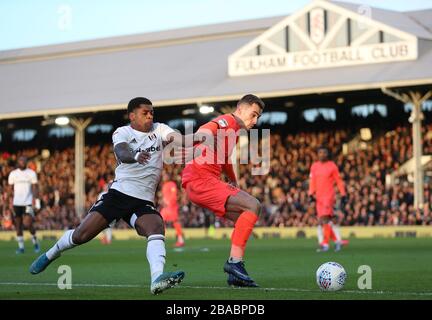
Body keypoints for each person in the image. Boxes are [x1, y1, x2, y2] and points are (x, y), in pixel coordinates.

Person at [30, 97, 186, 295]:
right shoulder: (123, 132)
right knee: (81, 235)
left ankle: (156, 278)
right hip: (119, 195)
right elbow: (121, 151)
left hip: (143, 201)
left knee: (156, 227)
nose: (150, 116)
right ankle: (51, 254)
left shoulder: (159, 129)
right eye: (145, 113)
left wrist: (201, 137)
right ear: (132, 116)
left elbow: (179, 138)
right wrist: (135, 155)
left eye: (151, 112)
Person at [181, 94, 265, 287]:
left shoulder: (234, 131)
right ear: (240, 109)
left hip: (199, 182)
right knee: (253, 205)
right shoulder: (227, 121)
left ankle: (234, 274)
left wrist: (233, 180)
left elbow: (225, 158)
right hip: (201, 179)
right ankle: (235, 263)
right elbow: (207, 129)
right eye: (253, 115)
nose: (255, 121)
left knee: (243, 220)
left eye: (258, 117)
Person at [308, 146, 347, 252]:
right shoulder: (314, 166)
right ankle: (336, 241)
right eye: (320, 152)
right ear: (317, 154)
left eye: (324, 152)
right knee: (323, 221)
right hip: (318, 197)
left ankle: (325, 244)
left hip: (328, 196)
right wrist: (310, 194)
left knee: (324, 219)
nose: (322, 154)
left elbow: (338, 181)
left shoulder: (332, 166)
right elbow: (312, 181)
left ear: (327, 154)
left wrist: (343, 194)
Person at [8, 156, 40, 254]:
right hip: (16, 203)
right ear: (18, 162)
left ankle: (35, 243)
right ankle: (21, 248)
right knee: (18, 225)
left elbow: (35, 188)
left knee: (28, 223)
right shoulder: (13, 174)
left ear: (26, 162)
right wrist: (9, 201)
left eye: (24, 160)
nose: (22, 162)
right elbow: (10, 189)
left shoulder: (31, 173)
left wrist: (36, 200)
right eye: (21, 160)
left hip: (28, 203)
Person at [160, 173, 184, 247]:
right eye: (164, 176)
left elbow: (174, 195)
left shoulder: (172, 184)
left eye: (165, 176)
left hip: (171, 207)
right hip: (166, 207)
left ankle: (180, 240)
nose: (164, 177)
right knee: (160, 220)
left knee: (175, 222)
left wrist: (169, 202)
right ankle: (160, 239)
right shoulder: (164, 185)